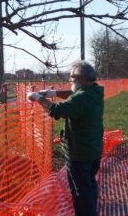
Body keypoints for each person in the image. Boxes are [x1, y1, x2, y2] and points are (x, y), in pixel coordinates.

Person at [27, 61, 104, 216]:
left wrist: (38, 98)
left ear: (81, 77)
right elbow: (75, 94)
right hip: (93, 150)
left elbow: (57, 110)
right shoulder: (95, 91)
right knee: (89, 185)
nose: (71, 81)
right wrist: (53, 93)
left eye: (72, 78)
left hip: (79, 153)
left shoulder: (81, 97)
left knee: (80, 192)